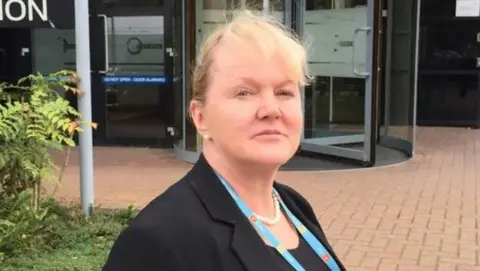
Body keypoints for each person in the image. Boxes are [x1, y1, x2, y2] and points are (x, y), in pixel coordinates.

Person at [102, 9, 346, 271]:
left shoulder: (293, 205)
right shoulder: (160, 240)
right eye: (244, 92)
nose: (271, 109)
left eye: (284, 92)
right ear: (201, 117)